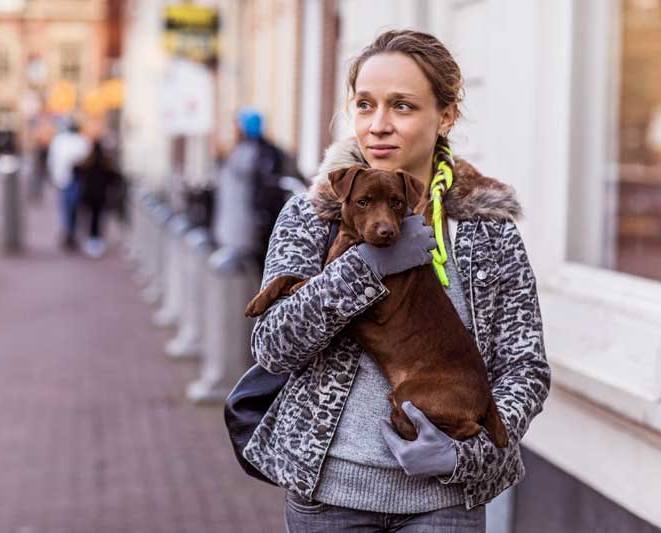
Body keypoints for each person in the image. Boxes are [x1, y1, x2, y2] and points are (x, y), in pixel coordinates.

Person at [241, 29, 551, 532]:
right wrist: (365, 266)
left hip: (444, 503)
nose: (379, 124)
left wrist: (463, 455)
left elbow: (524, 367)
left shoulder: (486, 229)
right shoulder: (312, 215)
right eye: (365, 105)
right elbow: (273, 347)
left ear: (445, 117)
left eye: (402, 106)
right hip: (330, 496)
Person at [211, 107, 302, 269]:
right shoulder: (246, 151)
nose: (233, 129)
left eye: (237, 124)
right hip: (243, 229)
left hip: (251, 229)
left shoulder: (255, 153)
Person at [73, 140, 120, 258]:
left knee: (89, 219)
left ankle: (91, 240)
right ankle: (96, 240)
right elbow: (115, 179)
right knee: (98, 218)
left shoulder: (87, 163)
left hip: (88, 195)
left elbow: (75, 172)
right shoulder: (106, 164)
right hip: (100, 196)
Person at [48, 120, 90, 251]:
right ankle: (69, 232)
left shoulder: (78, 140)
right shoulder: (62, 141)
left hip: (74, 179)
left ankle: (71, 232)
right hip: (66, 179)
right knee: (68, 207)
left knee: (71, 207)